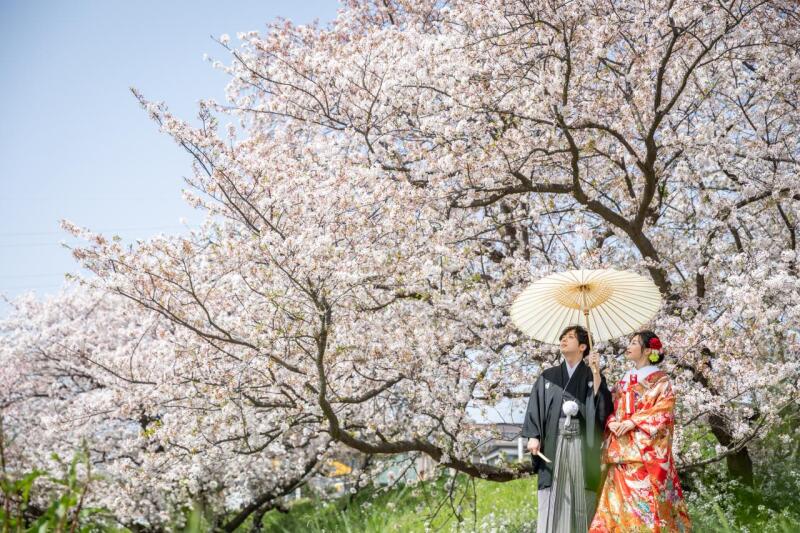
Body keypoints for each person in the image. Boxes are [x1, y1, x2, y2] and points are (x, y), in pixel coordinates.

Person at [589, 330, 692, 532]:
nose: (629, 346)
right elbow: (610, 406)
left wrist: (633, 422)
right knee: (614, 508)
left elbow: (664, 410)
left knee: (644, 508)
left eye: (634, 342)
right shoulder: (624, 379)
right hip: (620, 455)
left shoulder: (660, 381)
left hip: (643, 456)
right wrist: (611, 421)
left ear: (647, 350)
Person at [522, 325, 613, 532]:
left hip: (581, 443)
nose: (563, 340)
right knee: (552, 495)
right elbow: (535, 407)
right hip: (553, 442)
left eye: (570, 337)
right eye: (562, 337)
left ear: (582, 346)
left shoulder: (592, 375)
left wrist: (596, 374)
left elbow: (602, 407)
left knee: (581, 495)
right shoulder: (548, 376)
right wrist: (533, 436)